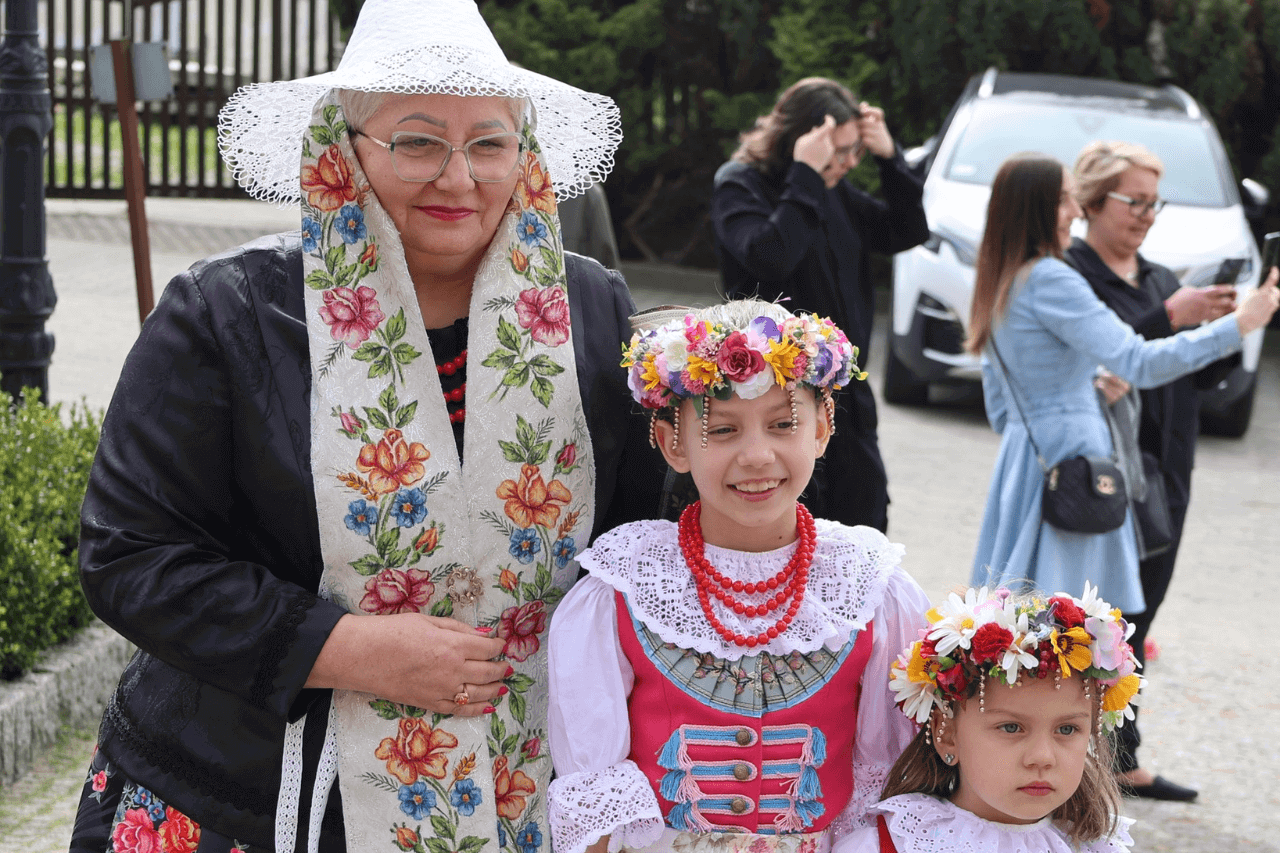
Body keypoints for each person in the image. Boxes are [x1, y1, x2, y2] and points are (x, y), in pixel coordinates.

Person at [68, 1, 665, 851]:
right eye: (418, 141)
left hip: (524, 785)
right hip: (248, 793)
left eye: (490, 143)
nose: (458, 178)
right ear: (343, 150)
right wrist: (346, 647)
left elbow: (643, 541)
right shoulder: (227, 311)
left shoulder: (591, 309)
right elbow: (130, 554)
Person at [545, 300, 931, 853]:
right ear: (671, 443)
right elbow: (596, 793)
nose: (757, 455)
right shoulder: (625, 586)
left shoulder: (871, 587)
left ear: (822, 429)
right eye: (722, 430)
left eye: (782, 425)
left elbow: (884, 779)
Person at [968, 154, 1278, 621]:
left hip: (1023, 463)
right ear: (1035, 208)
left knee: (1019, 628)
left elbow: (1000, 410)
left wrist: (1075, 391)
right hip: (1077, 462)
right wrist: (1239, 324)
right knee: (1073, 632)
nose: (1075, 211)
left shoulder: (1003, 280)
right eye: (1064, 200)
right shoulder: (1052, 278)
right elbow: (1139, 360)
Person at [1064, 140, 1241, 802]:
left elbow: (1200, 372)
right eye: (1133, 200)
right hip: (1101, 470)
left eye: (1153, 202)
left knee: (1142, 613)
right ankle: (1079, 757)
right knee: (1098, 613)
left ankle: (1120, 758)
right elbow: (1106, 355)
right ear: (1088, 202)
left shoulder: (1163, 276)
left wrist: (1226, 327)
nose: (1146, 214)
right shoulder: (1070, 275)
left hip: (1166, 467)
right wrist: (1172, 317)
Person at [711, 78, 930, 533]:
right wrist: (805, 176)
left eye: (857, 151)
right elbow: (769, 256)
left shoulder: (832, 189)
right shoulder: (740, 183)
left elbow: (906, 230)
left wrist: (891, 158)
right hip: (776, 401)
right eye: (840, 150)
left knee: (864, 524)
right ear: (801, 141)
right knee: (790, 533)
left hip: (847, 399)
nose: (849, 163)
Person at [837, 584, 1138, 853]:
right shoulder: (889, 844)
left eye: (1068, 729)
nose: (1042, 757)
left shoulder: (1097, 847)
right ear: (946, 732)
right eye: (1011, 727)